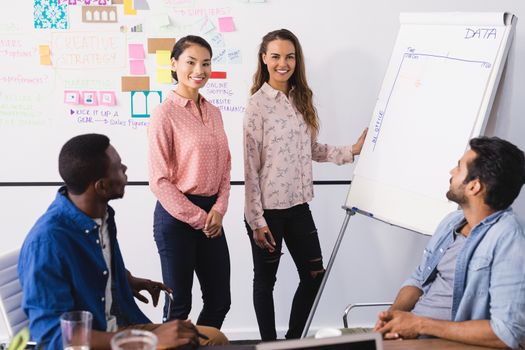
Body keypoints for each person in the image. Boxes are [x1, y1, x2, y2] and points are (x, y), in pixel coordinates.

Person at [18, 134, 228, 349]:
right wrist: (150, 340)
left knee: (213, 337)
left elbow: (93, 265)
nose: (125, 169)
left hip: (120, 325)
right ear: (101, 186)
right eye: (118, 167)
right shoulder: (47, 243)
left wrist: (127, 280)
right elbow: (55, 336)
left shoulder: (102, 217)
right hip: (99, 339)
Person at [243, 28, 368, 341]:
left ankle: (293, 342)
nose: (283, 63)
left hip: (299, 206)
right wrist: (257, 220)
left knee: (314, 275)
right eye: (276, 56)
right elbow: (249, 167)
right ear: (264, 59)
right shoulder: (257, 106)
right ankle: (269, 345)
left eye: (289, 56)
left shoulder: (300, 99)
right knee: (265, 282)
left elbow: (312, 150)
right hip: (267, 212)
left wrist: (350, 151)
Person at [374, 137, 525, 349]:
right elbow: (419, 279)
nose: (451, 172)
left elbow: (507, 332)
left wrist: (419, 325)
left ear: (474, 186)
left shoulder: (509, 238)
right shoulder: (451, 222)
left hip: (443, 343)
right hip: (410, 336)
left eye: (459, 167)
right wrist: (391, 320)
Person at [148, 35, 231, 329]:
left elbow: (225, 166)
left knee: (220, 300)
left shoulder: (214, 112)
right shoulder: (164, 113)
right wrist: (200, 218)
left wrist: (219, 209)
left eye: (206, 63)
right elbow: (158, 180)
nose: (200, 70)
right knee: (179, 306)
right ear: (174, 64)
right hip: (177, 217)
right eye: (191, 62)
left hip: (212, 215)